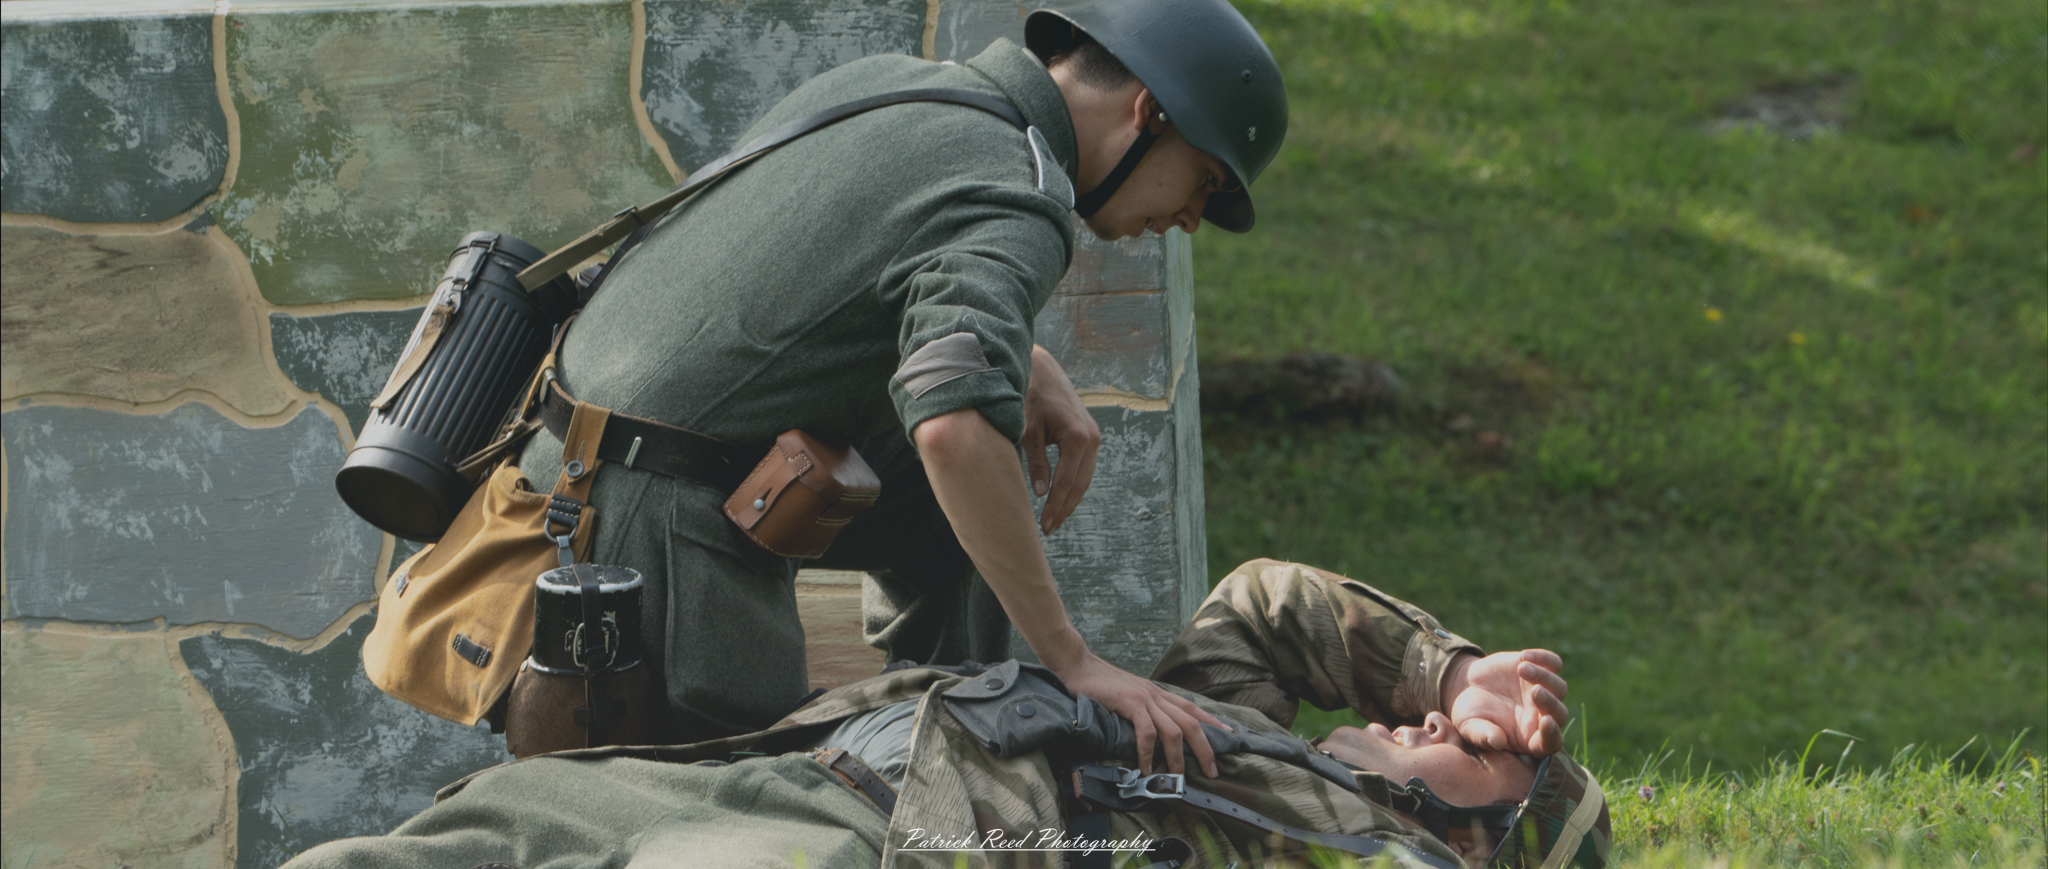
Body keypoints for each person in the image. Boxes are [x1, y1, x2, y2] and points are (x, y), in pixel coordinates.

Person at [511, 0, 1289, 772]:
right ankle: (923, 769)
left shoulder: (901, 86)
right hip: (650, 542)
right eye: (1206, 179)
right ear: (1148, 110)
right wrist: (1074, 659)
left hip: (563, 469)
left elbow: (817, 270)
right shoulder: (1018, 190)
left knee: (954, 493)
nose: (1192, 218)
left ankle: (942, 739)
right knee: (761, 823)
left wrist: (1023, 360)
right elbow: (952, 427)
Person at [285, 560, 1611, 868]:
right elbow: (1265, 606)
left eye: (1497, 763)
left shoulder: (1356, 852)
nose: (1453, 735)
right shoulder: (1247, 737)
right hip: (810, 773)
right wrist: (1444, 671)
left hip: (872, 854)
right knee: (484, 827)